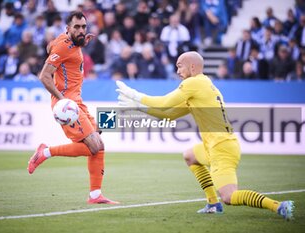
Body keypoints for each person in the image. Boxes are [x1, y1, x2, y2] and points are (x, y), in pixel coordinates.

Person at [116, 51, 294, 220]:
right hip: (217, 145)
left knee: (230, 196)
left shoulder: (194, 83)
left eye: (180, 66)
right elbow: (168, 114)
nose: (177, 71)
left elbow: (164, 103)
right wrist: (138, 107)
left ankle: (278, 205)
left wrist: (135, 95)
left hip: (221, 148)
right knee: (190, 156)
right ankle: (212, 205)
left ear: (193, 67)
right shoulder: (201, 85)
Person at [27, 11, 118, 205]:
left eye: (83, 27)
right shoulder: (63, 45)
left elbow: (49, 47)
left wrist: (80, 42)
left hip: (77, 100)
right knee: (95, 145)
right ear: (67, 29)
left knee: (98, 141)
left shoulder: (67, 42)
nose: (81, 30)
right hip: (67, 104)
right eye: (76, 27)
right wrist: (62, 102)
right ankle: (45, 152)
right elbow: (44, 76)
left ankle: (95, 195)